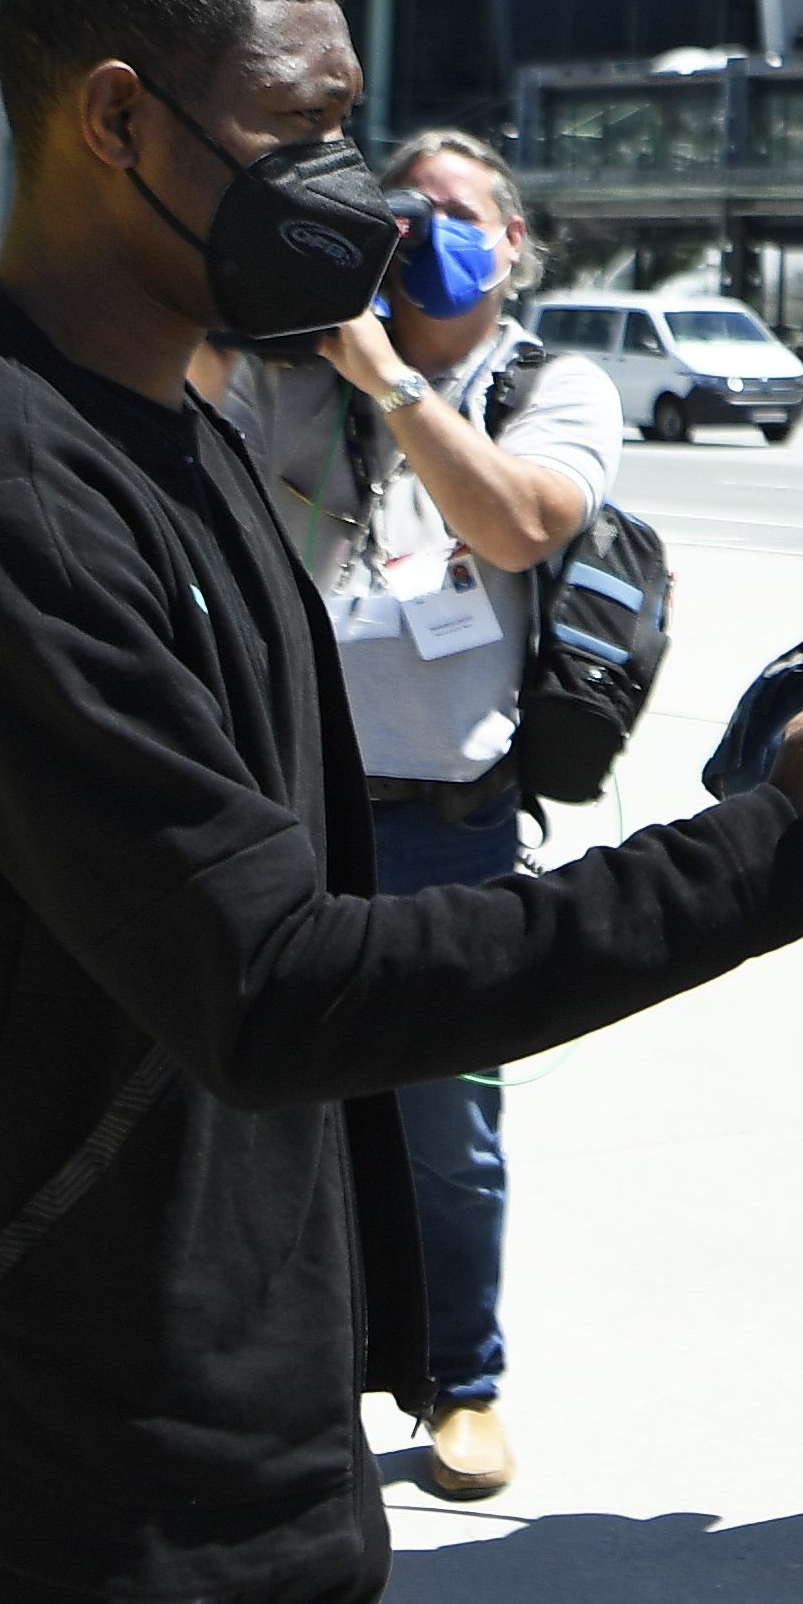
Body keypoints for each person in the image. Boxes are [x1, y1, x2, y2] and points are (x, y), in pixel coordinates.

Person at [0, 0, 803, 1604]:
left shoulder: (199, 429)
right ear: (115, 122)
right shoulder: (12, 487)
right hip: (63, 1519)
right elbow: (268, 979)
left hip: (284, 1473)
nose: (342, 189)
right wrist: (767, 854)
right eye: (292, 132)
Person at [221, 128, 616, 1500]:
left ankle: (465, 1381)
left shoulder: (549, 384)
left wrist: (392, 382)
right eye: (405, 208)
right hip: (290, 806)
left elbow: (517, 527)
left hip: (450, 814)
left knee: (446, 1131)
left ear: (512, 244)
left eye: (460, 212)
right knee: (281, 1112)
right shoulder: (287, 372)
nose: (428, 228)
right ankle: (298, 1379)